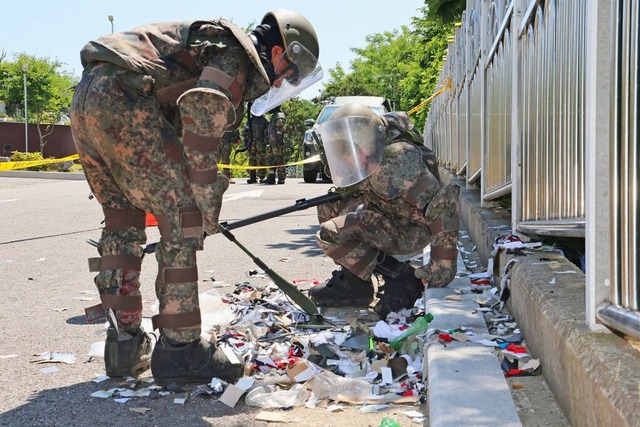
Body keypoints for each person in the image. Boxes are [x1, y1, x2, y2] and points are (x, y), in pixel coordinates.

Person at [70, 10, 321, 384]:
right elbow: (202, 108)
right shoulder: (235, 53)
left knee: (122, 225)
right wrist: (203, 202)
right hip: (125, 98)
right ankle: (181, 352)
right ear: (279, 53)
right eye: (291, 72)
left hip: (88, 98)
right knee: (183, 220)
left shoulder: (206, 43)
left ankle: (123, 347)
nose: (285, 81)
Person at [308, 104, 460, 319]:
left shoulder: (396, 163)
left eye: (349, 153)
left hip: (411, 229)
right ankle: (356, 283)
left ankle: (401, 278)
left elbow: (443, 205)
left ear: (366, 146)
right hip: (389, 214)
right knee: (328, 206)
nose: (345, 161)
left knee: (330, 233)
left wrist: (441, 269)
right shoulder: (370, 158)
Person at [242, 113, 270, 183]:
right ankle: (253, 177)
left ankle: (262, 177)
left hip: (261, 142)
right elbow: (245, 131)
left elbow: (268, 132)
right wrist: (247, 141)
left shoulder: (265, 119)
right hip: (252, 142)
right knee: (252, 159)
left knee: (262, 159)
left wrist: (266, 142)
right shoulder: (250, 120)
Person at [263, 106, 287, 184]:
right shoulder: (275, 116)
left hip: (277, 143)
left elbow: (282, 128)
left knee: (279, 159)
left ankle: (281, 177)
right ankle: (271, 177)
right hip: (272, 142)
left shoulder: (279, 116)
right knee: (271, 159)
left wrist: (277, 140)